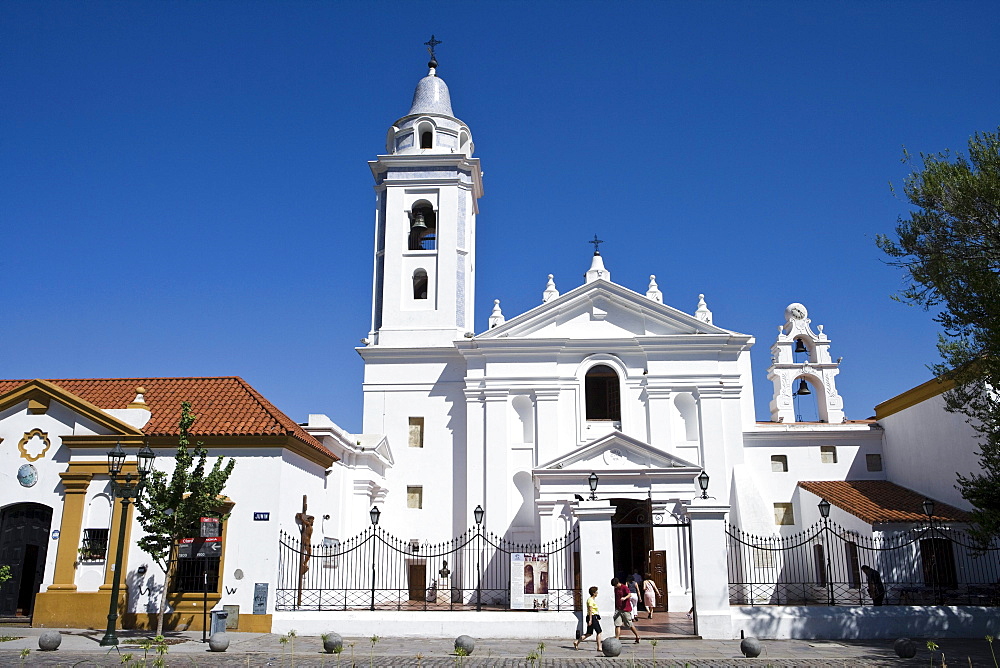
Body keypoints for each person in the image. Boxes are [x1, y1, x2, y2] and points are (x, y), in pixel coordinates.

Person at [574, 586, 603, 653]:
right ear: (593, 593)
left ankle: (577, 642)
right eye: (596, 592)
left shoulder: (592, 600)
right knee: (599, 632)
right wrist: (590, 619)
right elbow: (590, 610)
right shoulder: (590, 600)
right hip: (592, 617)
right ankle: (599, 647)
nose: (597, 593)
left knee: (589, 633)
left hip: (594, 617)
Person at [612, 577, 641, 643]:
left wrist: (625, 598)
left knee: (629, 624)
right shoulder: (616, 589)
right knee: (617, 624)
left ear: (617, 583)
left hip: (625, 609)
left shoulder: (624, 587)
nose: (615, 587)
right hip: (618, 609)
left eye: (615, 585)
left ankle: (637, 635)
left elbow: (629, 594)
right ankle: (617, 638)